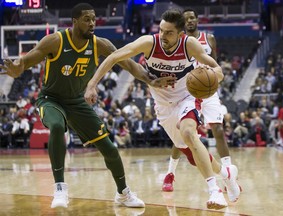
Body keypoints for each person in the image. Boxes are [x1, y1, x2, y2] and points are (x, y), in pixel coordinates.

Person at [0, 3, 175, 209]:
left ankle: (123, 193)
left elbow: (128, 63)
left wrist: (150, 80)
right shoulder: (55, 41)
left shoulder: (100, 44)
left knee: (109, 148)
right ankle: (60, 188)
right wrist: (17, 68)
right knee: (56, 126)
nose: (92, 23)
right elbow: (26, 61)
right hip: (51, 99)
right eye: (87, 19)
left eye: (93, 19)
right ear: (74, 21)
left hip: (77, 102)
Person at [84, 9, 240, 210]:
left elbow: (217, 69)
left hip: (187, 97)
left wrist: (212, 77)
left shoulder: (189, 44)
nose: (163, 36)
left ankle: (215, 191)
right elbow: (114, 56)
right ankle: (226, 174)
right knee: (192, 154)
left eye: (169, 32)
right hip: (163, 106)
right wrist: (92, 84)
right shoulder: (150, 43)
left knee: (189, 133)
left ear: (180, 34)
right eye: (161, 30)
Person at [162, 8, 241, 193]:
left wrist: (214, 82)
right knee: (183, 134)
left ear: (197, 20)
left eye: (192, 18)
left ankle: (229, 171)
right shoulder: (179, 41)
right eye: (186, 19)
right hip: (187, 90)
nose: (189, 21)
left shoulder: (209, 38)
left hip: (207, 87)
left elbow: (214, 63)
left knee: (218, 129)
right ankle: (170, 173)